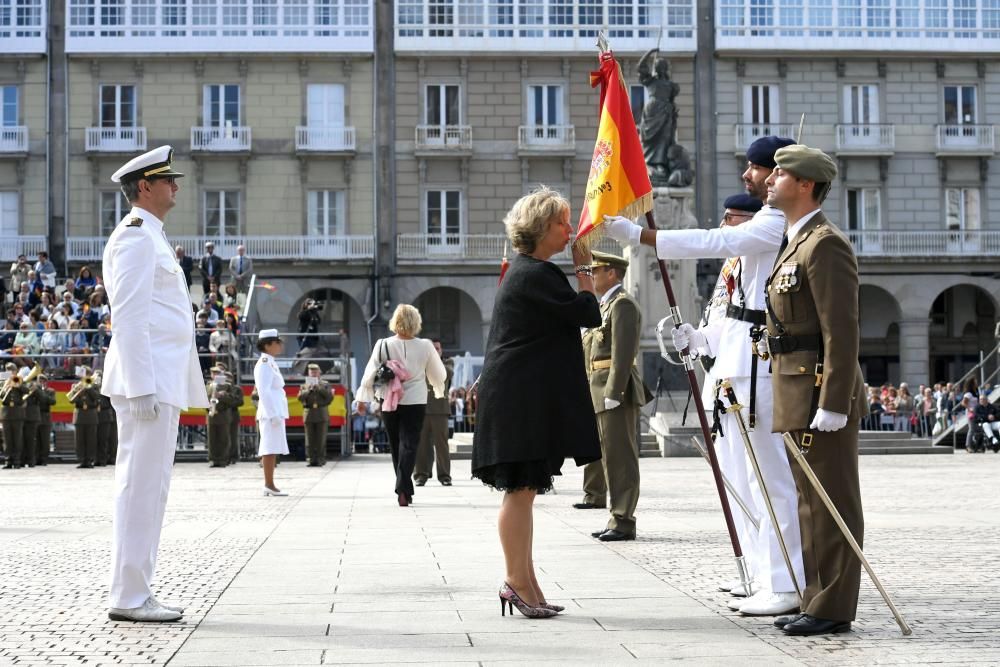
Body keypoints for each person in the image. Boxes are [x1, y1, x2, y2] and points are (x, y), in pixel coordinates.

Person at [603, 138, 806, 618]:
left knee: (768, 481)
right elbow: (732, 314)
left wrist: (641, 237)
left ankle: (784, 582)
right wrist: (697, 341)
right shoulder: (758, 229)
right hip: (733, 367)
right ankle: (760, 574)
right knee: (740, 479)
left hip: (757, 369)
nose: (752, 177)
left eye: (758, 170)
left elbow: (716, 241)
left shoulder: (773, 222)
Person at [471, 187, 601, 618]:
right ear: (543, 227)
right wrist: (584, 269)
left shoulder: (529, 271)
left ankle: (528, 585)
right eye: (563, 223)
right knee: (519, 493)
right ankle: (515, 582)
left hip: (519, 397)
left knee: (523, 492)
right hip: (518, 400)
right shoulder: (537, 274)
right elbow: (587, 312)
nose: (569, 230)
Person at [757, 144, 867, 635]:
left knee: (832, 501)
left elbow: (840, 331)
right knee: (808, 502)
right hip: (794, 390)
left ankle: (834, 606)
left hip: (819, 392)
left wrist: (835, 402)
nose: (769, 178)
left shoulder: (825, 243)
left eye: (781, 173)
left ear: (805, 185)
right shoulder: (795, 239)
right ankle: (816, 598)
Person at [102, 145, 209, 623]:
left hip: (159, 380)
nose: (175, 187)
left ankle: (137, 590)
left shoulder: (154, 237)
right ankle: (128, 596)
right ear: (144, 186)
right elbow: (128, 317)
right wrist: (143, 385)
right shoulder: (136, 238)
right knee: (141, 488)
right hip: (147, 383)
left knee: (151, 488)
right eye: (167, 180)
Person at [578, 251, 654, 542]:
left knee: (620, 459)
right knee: (609, 457)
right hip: (598, 389)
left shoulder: (622, 305)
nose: (591, 276)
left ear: (612, 273)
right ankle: (615, 516)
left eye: (596, 271)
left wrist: (615, 391)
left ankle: (623, 520)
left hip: (614, 392)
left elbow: (623, 354)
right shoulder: (604, 306)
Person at [357, 304, 446, 507]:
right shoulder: (425, 345)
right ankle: (403, 487)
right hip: (415, 399)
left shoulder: (382, 344)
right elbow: (439, 374)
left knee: (396, 444)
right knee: (410, 444)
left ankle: (403, 488)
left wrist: (362, 398)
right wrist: (436, 385)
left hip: (389, 397)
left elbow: (370, 371)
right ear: (416, 322)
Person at [413, 340, 454, 487]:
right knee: (421, 444)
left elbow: (446, 374)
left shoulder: (448, 362)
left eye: (437, 348)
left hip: (440, 410)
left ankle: (444, 476)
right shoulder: (420, 363)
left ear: (441, 350)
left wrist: (433, 360)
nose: (435, 351)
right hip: (421, 409)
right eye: (432, 349)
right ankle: (420, 475)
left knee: (441, 445)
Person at [254, 329, 289, 495]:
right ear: (267, 345)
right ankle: (268, 484)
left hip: (275, 411)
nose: (280, 345)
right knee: (268, 448)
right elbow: (264, 391)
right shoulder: (264, 363)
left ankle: (270, 484)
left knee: (272, 448)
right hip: (270, 413)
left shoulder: (271, 362)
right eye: (277, 342)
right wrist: (273, 413)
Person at [298, 363, 334, 466]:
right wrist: (308, 390)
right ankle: (310, 459)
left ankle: (320, 459)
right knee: (309, 439)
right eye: (311, 372)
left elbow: (329, 398)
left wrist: (318, 388)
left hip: (321, 413)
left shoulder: (325, 384)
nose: (313, 374)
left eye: (315, 372)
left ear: (319, 372)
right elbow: (300, 398)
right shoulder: (304, 385)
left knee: (321, 439)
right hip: (309, 413)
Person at [69, 368, 101, 468]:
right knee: (80, 440)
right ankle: (82, 460)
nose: (84, 376)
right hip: (79, 415)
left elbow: (97, 397)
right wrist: (80, 391)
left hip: (91, 415)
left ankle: (90, 460)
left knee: (91, 439)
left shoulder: (94, 386)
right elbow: (71, 400)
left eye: (86, 374)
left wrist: (88, 388)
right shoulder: (76, 386)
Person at [0, 361, 27, 468]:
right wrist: (6, 387)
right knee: (7, 438)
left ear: (15, 371)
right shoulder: (2, 382)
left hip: (17, 412)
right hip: (6, 413)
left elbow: (27, 391)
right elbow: (1, 396)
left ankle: (17, 461)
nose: (10, 372)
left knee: (17, 438)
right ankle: (8, 460)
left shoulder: (20, 381)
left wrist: (18, 386)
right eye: (8, 370)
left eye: (12, 370)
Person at [31, 372, 56, 465]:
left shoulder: (50, 391)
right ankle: (36, 458)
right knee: (36, 439)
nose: (42, 382)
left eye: (43, 381)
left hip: (45, 416)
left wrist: (41, 393)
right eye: (40, 381)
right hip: (36, 416)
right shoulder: (34, 390)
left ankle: (44, 459)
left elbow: (52, 401)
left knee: (45, 440)